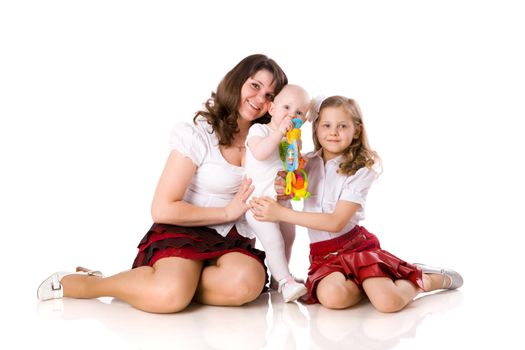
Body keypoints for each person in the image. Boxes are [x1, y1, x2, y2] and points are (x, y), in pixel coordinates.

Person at [37, 54, 288, 313]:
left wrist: (280, 192)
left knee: (244, 285)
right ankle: (94, 284)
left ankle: (168, 284)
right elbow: (162, 208)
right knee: (170, 296)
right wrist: (226, 211)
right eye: (255, 86)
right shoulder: (200, 134)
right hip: (186, 231)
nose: (260, 99)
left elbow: (269, 197)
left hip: (232, 240)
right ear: (237, 82)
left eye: (270, 95)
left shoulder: (270, 143)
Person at [250, 96, 463, 312]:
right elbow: (284, 179)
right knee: (332, 298)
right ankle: (371, 284)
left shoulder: (360, 170)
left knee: (388, 303)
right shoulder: (307, 163)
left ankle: (421, 279)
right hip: (323, 255)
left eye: (342, 126)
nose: (333, 132)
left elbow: (335, 222)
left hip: (355, 248)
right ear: (315, 130)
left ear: (357, 131)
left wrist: (279, 213)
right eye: (326, 125)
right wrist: (281, 190)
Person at [238, 84, 311, 302]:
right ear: (271, 109)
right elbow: (260, 153)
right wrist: (280, 133)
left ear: (304, 120)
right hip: (258, 203)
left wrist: (299, 158)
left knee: (289, 236)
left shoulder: (292, 139)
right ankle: (287, 282)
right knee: (273, 240)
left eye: (298, 112)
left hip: (280, 203)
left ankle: (279, 278)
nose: (291, 115)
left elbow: (292, 168)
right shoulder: (259, 131)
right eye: (286, 107)